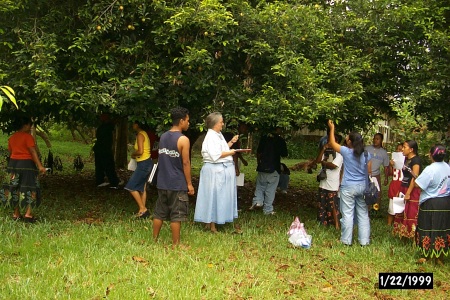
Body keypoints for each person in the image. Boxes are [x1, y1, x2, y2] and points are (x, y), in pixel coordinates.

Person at [153, 107, 194, 246]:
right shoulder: (183, 139)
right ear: (181, 121)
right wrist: (189, 183)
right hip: (177, 182)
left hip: (162, 181)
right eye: (187, 120)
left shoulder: (163, 136)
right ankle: (176, 244)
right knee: (176, 215)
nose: (189, 123)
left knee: (160, 212)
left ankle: (154, 239)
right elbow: (186, 162)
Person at [194, 112, 241, 233]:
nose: (223, 124)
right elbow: (216, 154)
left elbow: (222, 149)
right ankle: (211, 224)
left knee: (217, 196)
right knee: (213, 196)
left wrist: (231, 142)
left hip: (220, 169)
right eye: (221, 122)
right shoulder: (211, 137)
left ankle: (210, 222)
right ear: (215, 123)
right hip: (214, 170)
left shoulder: (217, 134)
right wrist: (232, 152)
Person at [327, 120, 371, 246]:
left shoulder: (347, 151)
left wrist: (332, 128)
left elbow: (332, 143)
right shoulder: (366, 154)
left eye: (347, 137)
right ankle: (364, 241)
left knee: (347, 214)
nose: (346, 138)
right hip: (362, 186)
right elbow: (368, 170)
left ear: (350, 142)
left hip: (348, 187)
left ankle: (346, 240)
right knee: (363, 214)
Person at [1, 117, 46, 223]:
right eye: (30, 125)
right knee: (30, 187)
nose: (30, 127)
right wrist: (40, 166)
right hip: (26, 164)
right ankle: (28, 214)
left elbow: (10, 151)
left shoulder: (12, 138)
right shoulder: (28, 137)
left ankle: (16, 214)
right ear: (25, 125)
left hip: (13, 164)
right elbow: (32, 151)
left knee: (14, 187)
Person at [415, 144, 450, 263]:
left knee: (427, 226)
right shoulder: (448, 167)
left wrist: (417, 179)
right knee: (442, 227)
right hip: (445, 203)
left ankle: (426, 255)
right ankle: (440, 256)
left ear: (431, 155)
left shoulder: (430, 169)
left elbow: (418, 184)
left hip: (431, 203)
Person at [250, 127, 288, 215]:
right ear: (277, 129)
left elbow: (259, 152)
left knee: (260, 186)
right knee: (270, 190)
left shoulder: (264, 138)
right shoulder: (280, 140)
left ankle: (257, 201)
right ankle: (268, 209)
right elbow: (285, 153)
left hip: (262, 167)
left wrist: (259, 163)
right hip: (274, 168)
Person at [393, 140, 422, 239]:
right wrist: (399, 190)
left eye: (405, 147)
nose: (402, 149)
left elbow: (414, 178)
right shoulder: (406, 160)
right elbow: (404, 175)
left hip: (412, 189)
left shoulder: (416, 161)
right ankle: (403, 233)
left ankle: (412, 235)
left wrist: (409, 193)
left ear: (411, 149)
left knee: (411, 211)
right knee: (402, 210)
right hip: (403, 187)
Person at [124, 121, 153, 218]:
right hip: (147, 162)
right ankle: (142, 212)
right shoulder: (144, 134)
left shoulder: (140, 135)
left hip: (143, 164)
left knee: (131, 187)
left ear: (137, 125)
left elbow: (140, 151)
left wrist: (133, 154)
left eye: (134, 123)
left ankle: (143, 209)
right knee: (142, 188)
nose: (132, 125)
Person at [315, 134, 343, 229]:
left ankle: (336, 224)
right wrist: (323, 149)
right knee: (322, 203)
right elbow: (318, 160)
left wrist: (324, 163)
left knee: (333, 205)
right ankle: (323, 222)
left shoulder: (339, 155)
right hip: (323, 182)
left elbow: (333, 165)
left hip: (333, 184)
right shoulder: (326, 153)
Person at [93, 114, 120, 188]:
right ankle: (114, 183)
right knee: (109, 166)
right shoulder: (107, 127)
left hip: (99, 149)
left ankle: (100, 181)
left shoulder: (101, 127)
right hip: (104, 150)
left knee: (99, 166)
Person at [365, 133, 390, 212]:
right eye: (374, 138)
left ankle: (376, 208)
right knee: (366, 191)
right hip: (365, 174)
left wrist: (386, 178)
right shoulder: (367, 148)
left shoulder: (383, 152)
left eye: (377, 139)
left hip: (376, 175)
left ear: (381, 140)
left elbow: (386, 166)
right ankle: (366, 208)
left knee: (377, 192)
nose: (375, 140)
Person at [387, 143, 404, 225]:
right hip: (394, 185)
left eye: (400, 149)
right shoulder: (394, 161)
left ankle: (399, 224)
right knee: (391, 208)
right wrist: (390, 166)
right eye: (397, 149)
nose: (398, 151)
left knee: (401, 207)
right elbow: (390, 173)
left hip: (403, 186)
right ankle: (389, 224)